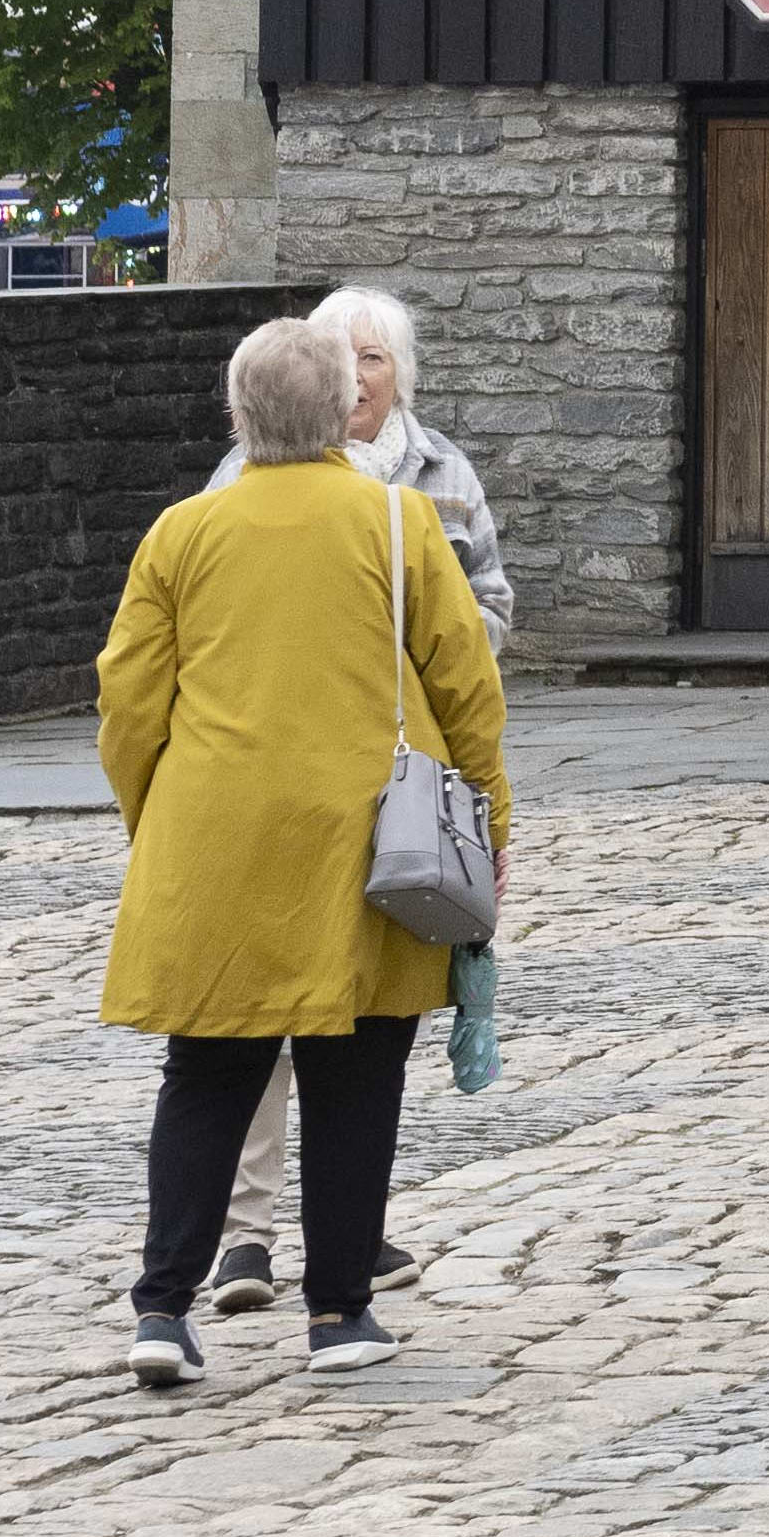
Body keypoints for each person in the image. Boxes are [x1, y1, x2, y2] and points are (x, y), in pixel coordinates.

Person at [98, 312, 511, 1386]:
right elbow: (469, 690)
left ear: (236, 415)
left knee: (205, 1071)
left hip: (215, 838)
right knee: (357, 1070)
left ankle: (162, 1306)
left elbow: (129, 705)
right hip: (366, 839)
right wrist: (491, 828)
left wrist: (159, 820)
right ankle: (337, 1311)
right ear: (342, 411)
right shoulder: (399, 523)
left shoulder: (181, 534)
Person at [201, 281, 515, 1314]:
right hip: (284, 777)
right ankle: (246, 1237)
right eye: (343, 359)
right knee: (266, 1017)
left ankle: (350, 1234)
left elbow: (487, 613)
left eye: (374, 358)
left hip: (403, 783)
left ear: (397, 375)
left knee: (365, 1016)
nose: (358, 377)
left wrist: (422, 681)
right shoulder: (235, 486)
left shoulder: (441, 476)